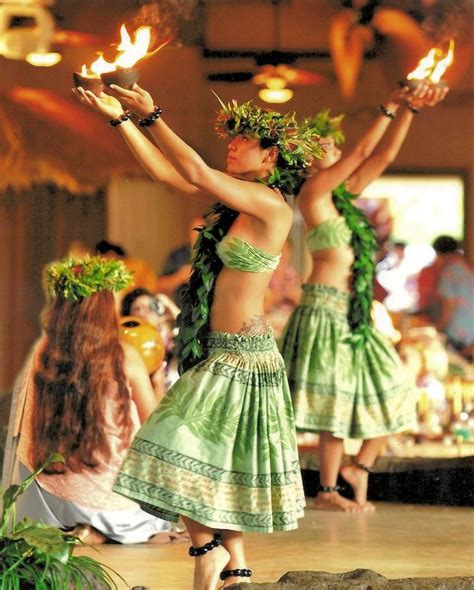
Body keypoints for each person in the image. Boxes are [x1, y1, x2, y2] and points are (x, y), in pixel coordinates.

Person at [74, 84, 321, 589]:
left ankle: (207, 549)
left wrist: (153, 113)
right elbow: (168, 173)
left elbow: (191, 169)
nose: (231, 146)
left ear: (270, 155)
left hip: (244, 357)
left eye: (242, 141)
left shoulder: (270, 204)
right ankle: (237, 568)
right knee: (215, 463)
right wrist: (121, 120)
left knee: (166, 443)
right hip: (223, 353)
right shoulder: (237, 206)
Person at [280, 83, 448, 512]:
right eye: (322, 145)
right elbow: (361, 154)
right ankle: (328, 490)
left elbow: (382, 157)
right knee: (333, 405)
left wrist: (408, 109)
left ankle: (359, 468)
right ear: (308, 159)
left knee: (398, 389)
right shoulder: (314, 194)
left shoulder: (344, 198)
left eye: (334, 144)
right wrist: (386, 107)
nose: (332, 149)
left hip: (352, 316)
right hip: (321, 310)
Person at [1, 256, 176, 545]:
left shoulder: (42, 352)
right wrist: (157, 379)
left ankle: (79, 527)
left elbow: (23, 431)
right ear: (104, 309)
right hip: (113, 505)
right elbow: (157, 429)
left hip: (50, 504)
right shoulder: (124, 355)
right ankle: (107, 529)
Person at [121, 287, 180, 391]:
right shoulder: (131, 348)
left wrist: (170, 305)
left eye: (150, 306)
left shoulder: (172, 338)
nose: (146, 312)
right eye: (138, 309)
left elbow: (193, 338)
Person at [433, 236, 474, 358]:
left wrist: (438, 329)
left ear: (440, 253)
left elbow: (448, 306)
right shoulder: (467, 268)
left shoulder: (448, 273)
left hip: (458, 335)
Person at [156, 216, 203, 306]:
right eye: (196, 231)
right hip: (182, 310)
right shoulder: (177, 255)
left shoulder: (218, 255)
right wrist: (180, 277)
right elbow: (159, 287)